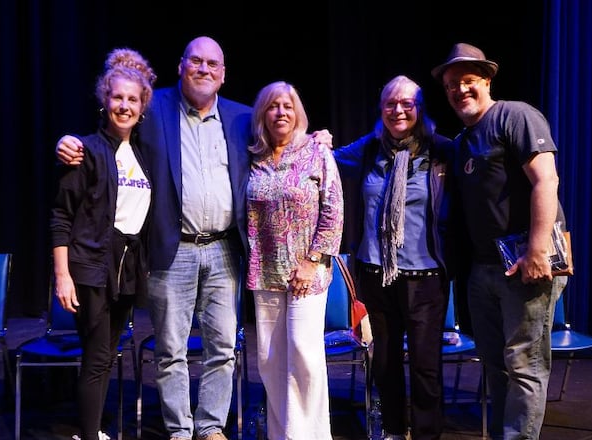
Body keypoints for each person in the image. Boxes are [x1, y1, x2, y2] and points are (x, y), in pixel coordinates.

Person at [54, 36, 332, 440]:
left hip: (225, 250)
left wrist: (316, 138)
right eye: (195, 61)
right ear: (181, 66)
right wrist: (68, 143)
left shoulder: (241, 118)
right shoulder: (154, 109)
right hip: (173, 249)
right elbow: (113, 126)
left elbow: (283, 143)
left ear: (223, 75)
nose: (203, 69)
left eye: (212, 64)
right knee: (171, 351)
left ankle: (210, 426)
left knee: (223, 348)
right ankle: (180, 430)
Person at [431, 42, 565, 440]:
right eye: (452, 84)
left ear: (487, 80)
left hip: (526, 263)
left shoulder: (515, 116)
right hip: (485, 268)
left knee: (524, 364)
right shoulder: (462, 141)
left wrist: (538, 251)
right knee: (494, 363)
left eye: (468, 80)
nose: (460, 90)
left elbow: (546, 180)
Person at [332, 75, 455, 440]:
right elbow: (327, 160)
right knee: (383, 363)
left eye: (407, 103)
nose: (398, 110)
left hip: (426, 279)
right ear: (381, 108)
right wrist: (314, 141)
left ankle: (427, 434)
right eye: (390, 103)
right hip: (376, 275)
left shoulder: (441, 151)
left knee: (424, 367)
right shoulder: (369, 149)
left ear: (419, 108)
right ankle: (393, 431)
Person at [50, 47, 156, 440]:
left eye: (132, 99)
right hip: (90, 267)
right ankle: (89, 434)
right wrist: (62, 275)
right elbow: (61, 216)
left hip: (125, 269)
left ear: (142, 106)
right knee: (96, 357)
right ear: (104, 100)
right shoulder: (85, 151)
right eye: (117, 97)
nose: (124, 106)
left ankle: (90, 431)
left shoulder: (143, 155)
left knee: (106, 354)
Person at [245, 81, 344, 440]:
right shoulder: (252, 156)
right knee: (271, 362)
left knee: (304, 357)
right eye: (273, 106)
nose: (280, 112)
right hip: (265, 273)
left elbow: (334, 209)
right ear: (263, 115)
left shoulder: (316, 152)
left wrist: (314, 260)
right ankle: (281, 433)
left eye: (287, 106)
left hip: (307, 273)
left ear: (297, 112)